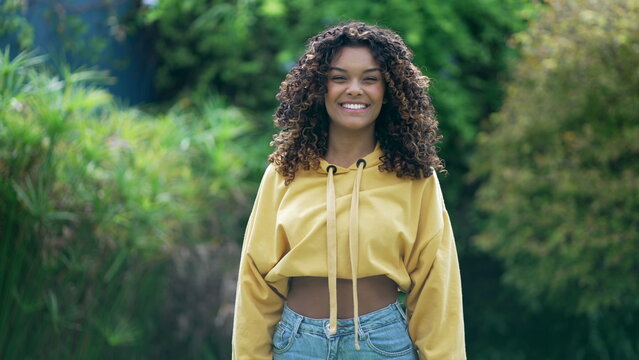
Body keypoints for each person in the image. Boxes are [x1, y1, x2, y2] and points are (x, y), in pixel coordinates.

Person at [232, 21, 466, 359]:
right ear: (318, 88)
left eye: (370, 79)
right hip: (297, 344)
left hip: (381, 344)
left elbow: (436, 284)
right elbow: (255, 281)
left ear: (389, 90)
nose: (354, 89)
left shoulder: (416, 177)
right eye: (339, 78)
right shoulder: (284, 173)